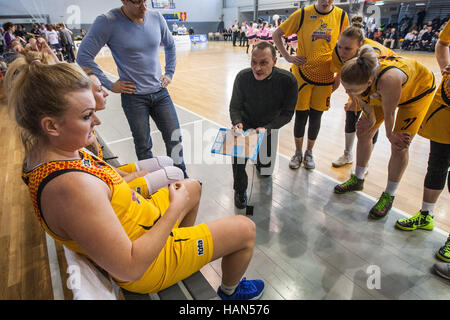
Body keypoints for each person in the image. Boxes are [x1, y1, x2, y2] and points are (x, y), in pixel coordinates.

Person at [6, 50, 265, 300]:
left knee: (192, 187)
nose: (96, 121)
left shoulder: (52, 153)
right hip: (146, 264)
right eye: (87, 116)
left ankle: (185, 253)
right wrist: (175, 209)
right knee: (246, 229)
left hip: (141, 222)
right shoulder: (70, 188)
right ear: (50, 125)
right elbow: (129, 267)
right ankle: (227, 291)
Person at [76, 0, 188, 178]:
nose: (144, 6)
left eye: (145, 1)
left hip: (160, 93)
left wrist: (169, 72)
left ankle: (181, 177)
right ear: (124, 1)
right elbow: (83, 57)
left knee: (175, 139)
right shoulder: (107, 21)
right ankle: (151, 183)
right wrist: (110, 84)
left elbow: (170, 45)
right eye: (137, 2)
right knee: (143, 146)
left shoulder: (156, 17)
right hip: (134, 98)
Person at [334, 46, 436, 219]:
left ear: (368, 83)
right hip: (381, 91)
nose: (347, 92)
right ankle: (358, 179)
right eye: (346, 88)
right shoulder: (357, 73)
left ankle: (389, 194)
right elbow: (362, 99)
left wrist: (390, 135)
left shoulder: (389, 79)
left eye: (350, 89)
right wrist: (370, 120)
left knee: (399, 145)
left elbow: (389, 113)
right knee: (364, 133)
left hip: (418, 91)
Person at [395, 21, 450, 279]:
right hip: (446, 104)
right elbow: (442, 43)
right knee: (436, 162)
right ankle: (426, 215)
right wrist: (444, 68)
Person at [82, 67, 185, 198]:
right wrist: (134, 176)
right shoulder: (79, 140)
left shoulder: (80, 133)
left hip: (108, 177)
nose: (106, 93)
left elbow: (100, 167)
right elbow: (102, 188)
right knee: (176, 174)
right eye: (99, 89)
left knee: (168, 161)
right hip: (113, 190)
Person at [272, 0, 349, 170]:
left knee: (316, 116)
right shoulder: (302, 14)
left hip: (326, 76)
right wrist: (287, 56)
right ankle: (298, 152)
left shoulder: (341, 16)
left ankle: (309, 152)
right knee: (300, 116)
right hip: (302, 75)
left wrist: (339, 76)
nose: (326, 1)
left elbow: (347, 48)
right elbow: (276, 34)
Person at [229, 42, 297, 208]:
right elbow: (235, 107)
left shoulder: (288, 81)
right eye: (253, 62)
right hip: (245, 127)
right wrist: (237, 123)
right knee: (238, 161)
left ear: (274, 61)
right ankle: (239, 190)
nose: (257, 68)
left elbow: (287, 114)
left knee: (265, 172)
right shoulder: (242, 77)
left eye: (263, 63)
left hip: (268, 127)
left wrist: (266, 129)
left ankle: (260, 159)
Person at [331, 16, 396, 168]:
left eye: (347, 49)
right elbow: (348, 80)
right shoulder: (338, 53)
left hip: (381, 89)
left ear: (360, 46)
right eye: (340, 46)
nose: (342, 52)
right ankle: (347, 154)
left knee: (371, 124)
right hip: (360, 86)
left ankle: (364, 164)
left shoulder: (375, 56)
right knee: (351, 113)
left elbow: (381, 89)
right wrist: (354, 101)